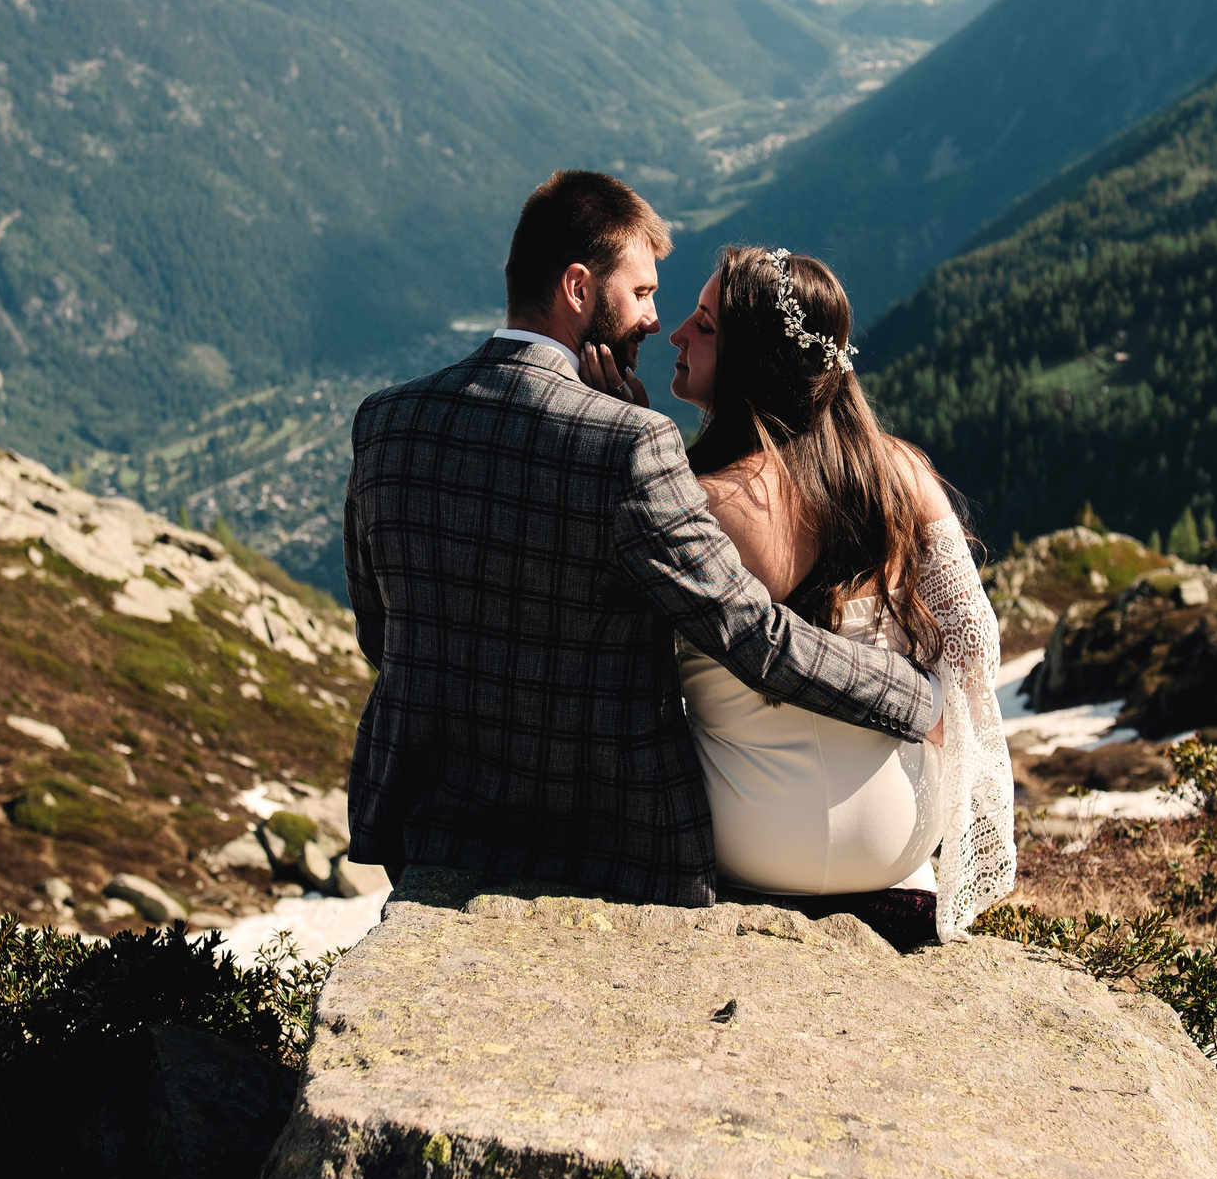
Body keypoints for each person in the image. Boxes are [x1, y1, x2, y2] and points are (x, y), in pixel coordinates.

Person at [341, 171, 940, 908]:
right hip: (604, 848)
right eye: (643, 293)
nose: (656, 322)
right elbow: (751, 635)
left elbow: (382, 629)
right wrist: (915, 697)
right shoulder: (631, 444)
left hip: (429, 828)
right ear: (577, 288)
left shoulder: (384, 422)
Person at [592, 245, 1014, 939]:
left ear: (751, 361)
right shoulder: (900, 475)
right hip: (899, 836)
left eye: (704, 323)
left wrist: (628, 443)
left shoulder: (692, 500)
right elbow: (976, 650)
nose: (676, 334)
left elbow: (627, 672)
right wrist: (924, 706)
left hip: (752, 838)